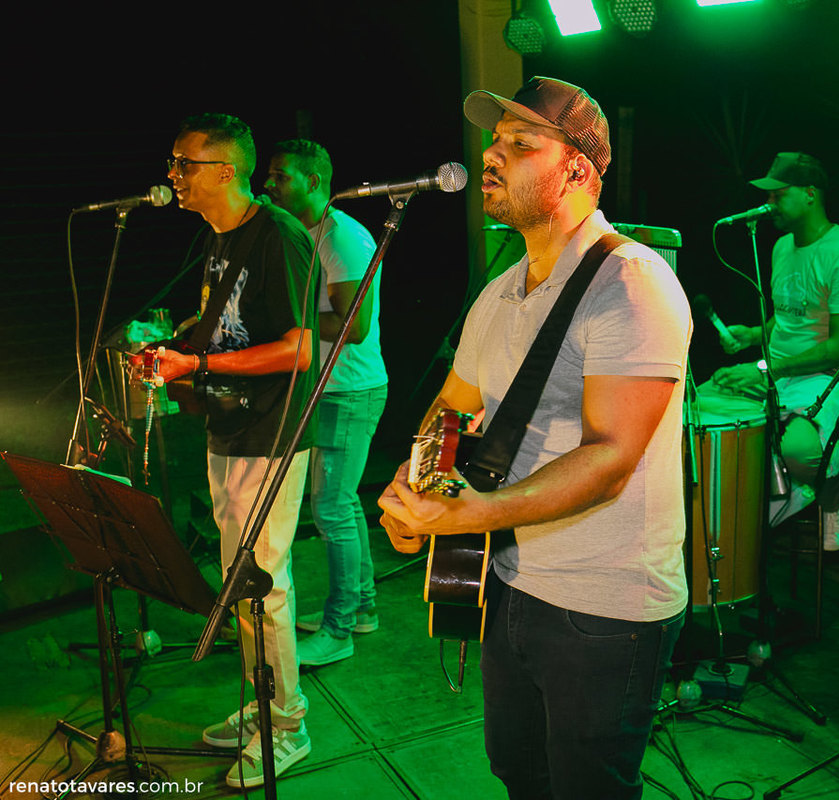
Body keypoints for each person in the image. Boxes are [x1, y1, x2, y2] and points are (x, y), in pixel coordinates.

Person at [378, 76, 692, 799]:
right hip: (507, 579)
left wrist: (474, 513)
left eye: (521, 144)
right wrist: (414, 491)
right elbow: (449, 408)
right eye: (494, 141)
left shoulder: (631, 283)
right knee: (519, 773)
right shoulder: (499, 292)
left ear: (577, 169)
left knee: (588, 788)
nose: (491, 155)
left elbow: (610, 458)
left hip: (604, 604)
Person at [153, 113, 319, 787]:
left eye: (184, 163)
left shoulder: (278, 236)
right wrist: (184, 341)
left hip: (271, 433)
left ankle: (289, 725)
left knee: (264, 585)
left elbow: (300, 349)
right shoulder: (218, 236)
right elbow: (234, 323)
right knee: (239, 583)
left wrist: (196, 365)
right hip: (229, 427)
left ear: (225, 170)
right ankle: (263, 705)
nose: (173, 175)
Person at [701, 151, 839, 549]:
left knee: (797, 450)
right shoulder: (781, 247)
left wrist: (765, 370)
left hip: (825, 379)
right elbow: (786, 318)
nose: (768, 204)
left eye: (778, 195)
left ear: (810, 194)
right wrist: (752, 335)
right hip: (778, 370)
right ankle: (747, 508)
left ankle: (834, 492)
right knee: (699, 411)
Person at [264, 139, 388, 667]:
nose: (269, 184)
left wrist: (284, 327)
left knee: (332, 509)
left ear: (313, 181)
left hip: (349, 390)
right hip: (333, 388)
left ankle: (339, 630)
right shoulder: (305, 232)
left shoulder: (342, 238)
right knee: (344, 503)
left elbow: (353, 327)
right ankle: (362, 608)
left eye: (281, 176)